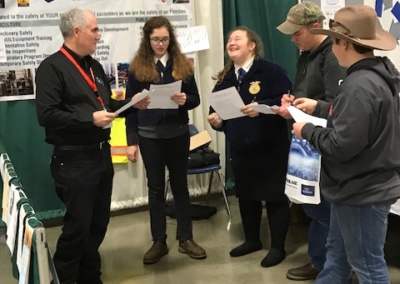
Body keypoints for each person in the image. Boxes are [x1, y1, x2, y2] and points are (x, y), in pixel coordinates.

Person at [35, 7, 149, 284]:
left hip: (101, 156)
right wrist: (89, 118)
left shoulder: (94, 66)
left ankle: (89, 276)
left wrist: (133, 105)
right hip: (73, 160)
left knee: (98, 224)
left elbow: (106, 106)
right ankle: (63, 277)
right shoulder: (51, 68)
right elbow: (46, 115)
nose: (100, 36)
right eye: (95, 30)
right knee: (78, 227)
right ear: (77, 32)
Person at [291, 5, 400, 283]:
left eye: (333, 40)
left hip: (361, 190)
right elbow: (358, 120)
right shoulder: (377, 74)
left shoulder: (358, 85)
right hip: (354, 188)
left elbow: (340, 144)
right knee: (337, 256)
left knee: (368, 267)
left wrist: (307, 130)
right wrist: (319, 107)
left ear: (343, 43)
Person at [208, 26, 292, 267]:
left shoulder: (270, 71)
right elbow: (216, 110)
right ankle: (252, 240)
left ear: (252, 45)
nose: (230, 43)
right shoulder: (225, 78)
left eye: (237, 39)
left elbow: (286, 100)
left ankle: (278, 247)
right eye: (228, 40)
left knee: (275, 197)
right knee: (246, 195)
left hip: (271, 146)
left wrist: (261, 107)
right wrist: (216, 121)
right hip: (241, 147)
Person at [125, 16, 206, 264]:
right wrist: (132, 140)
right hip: (150, 136)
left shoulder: (183, 65)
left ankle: (185, 239)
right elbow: (130, 106)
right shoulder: (138, 68)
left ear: (171, 39)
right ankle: (159, 241)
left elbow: (196, 99)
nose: (160, 44)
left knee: (181, 186)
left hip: (178, 134)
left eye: (164, 39)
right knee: (156, 189)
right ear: (147, 40)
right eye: (155, 39)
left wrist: (185, 100)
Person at [276, 2, 346, 280]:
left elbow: (336, 107)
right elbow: (307, 94)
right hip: (305, 141)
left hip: (323, 144)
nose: (293, 39)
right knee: (313, 206)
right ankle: (321, 261)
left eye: (297, 33)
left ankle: (331, 265)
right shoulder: (305, 54)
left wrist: (306, 107)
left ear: (316, 28)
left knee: (324, 210)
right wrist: (291, 102)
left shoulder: (332, 57)